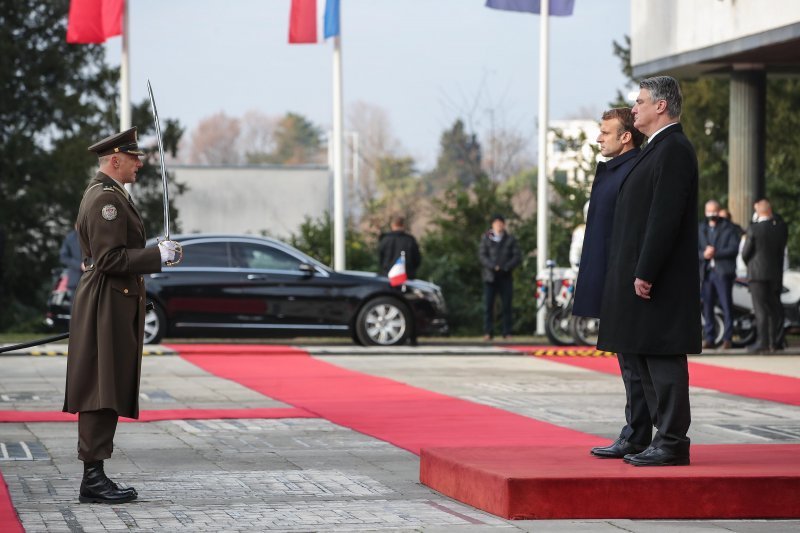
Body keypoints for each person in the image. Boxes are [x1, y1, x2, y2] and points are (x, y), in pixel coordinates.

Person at [63, 127, 180, 504]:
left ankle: (95, 474)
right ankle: (93, 478)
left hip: (112, 299)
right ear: (116, 160)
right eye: (133, 158)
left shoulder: (110, 195)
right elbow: (110, 258)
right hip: (105, 302)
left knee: (106, 386)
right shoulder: (104, 200)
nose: (140, 164)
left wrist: (153, 256)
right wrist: (156, 256)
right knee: (101, 388)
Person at [597, 76, 700, 467]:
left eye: (640, 101)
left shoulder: (673, 148)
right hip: (644, 275)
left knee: (663, 358)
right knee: (643, 357)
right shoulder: (655, 149)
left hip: (661, 279)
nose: (634, 107)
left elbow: (664, 217)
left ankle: (672, 440)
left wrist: (646, 270)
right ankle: (649, 436)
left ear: (661, 106)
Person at [568, 108, 647, 460]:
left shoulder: (633, 170)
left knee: (635, 362)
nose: (599, 138)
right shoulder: (616, 169)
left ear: (625, 135)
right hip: (612, 276)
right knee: (628, 361)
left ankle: (638, 435)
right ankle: (635, 433)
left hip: (627, 279)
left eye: (606, 132)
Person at [742, 198, 788, 353]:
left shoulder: (753, 229)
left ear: (758, 211)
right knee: (774, 309)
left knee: (760, 309)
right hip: (775, 274)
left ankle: (762, 343)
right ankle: (775, 342)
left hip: (757, 274)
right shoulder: (781, 228)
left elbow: (746, 253)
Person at [698, 200, 741, 350]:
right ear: (705, 212)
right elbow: (694, 250)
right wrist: (704, 255)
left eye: (714, 211)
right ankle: (709, 337)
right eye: (709, 211)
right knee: (707, 306)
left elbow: (734, 249)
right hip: (707, 274)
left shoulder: (728, 228)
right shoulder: (701, 228)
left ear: (718, 211)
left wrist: (716, 253)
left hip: (723, 273)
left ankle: (727, 338)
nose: (712, 214)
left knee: (726, 305)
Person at [479, 214, 521, 340]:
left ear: (504, 224)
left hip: (505, 276)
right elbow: (482, 256)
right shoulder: (486, 239)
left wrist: (506, 267)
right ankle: (488, 331)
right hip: (490, 277)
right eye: (496, 223)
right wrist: (493, 266)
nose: (499, 225)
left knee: (507, 306)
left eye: (501, 223)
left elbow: (517, 256)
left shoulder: (510, 239)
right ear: (492, 224)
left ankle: (507, 332)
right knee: (488, 306)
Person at [378, 215, 421, 280]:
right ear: (403, 225)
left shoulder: (385, 240)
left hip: (387, 278)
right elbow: (417, 260)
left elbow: (381, 259)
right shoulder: (410, 240)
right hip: (406, 279)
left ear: (392, 225)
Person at [60, 225, 84, 292]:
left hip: (94, 281)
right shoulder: (69, 238)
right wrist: (79, 265)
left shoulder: (96, 236)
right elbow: (63, 257)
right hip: (75, 281)